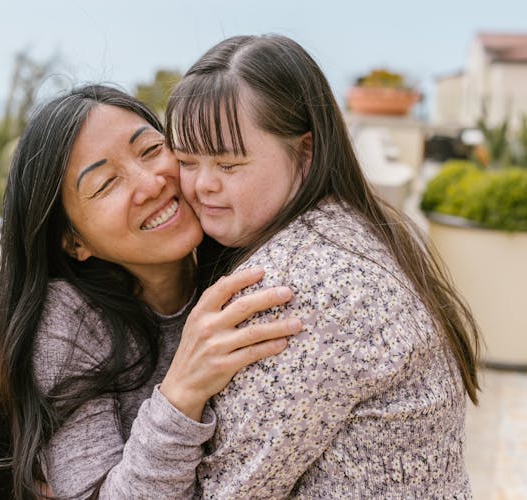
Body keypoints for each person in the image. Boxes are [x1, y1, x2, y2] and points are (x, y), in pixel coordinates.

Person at [165, 34, 481, 498]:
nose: (202, 185)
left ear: (305, 153)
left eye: (229, 165)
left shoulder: (297, 291)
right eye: (186, 161)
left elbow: (224, 492)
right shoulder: (354, 227)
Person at [0, 84, 302, 499]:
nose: (151, 183)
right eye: (107, 183)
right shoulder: (68, 323)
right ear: (74, 242)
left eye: (150, 150)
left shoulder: (252, 262)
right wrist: (181, 392)